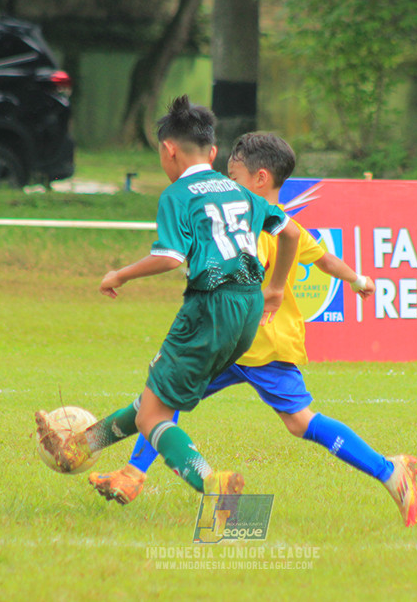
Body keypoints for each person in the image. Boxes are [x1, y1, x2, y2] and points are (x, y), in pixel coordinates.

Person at [87, 132, 417, 526]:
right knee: (167, 402)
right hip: (250, 345)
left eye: (233, 177)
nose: (226, 186)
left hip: (246, 341)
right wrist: (358, 280)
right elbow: (324, 259)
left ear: (260, 178)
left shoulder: (249, 224)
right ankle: (129, 472)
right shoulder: (278, 222)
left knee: (173, 402)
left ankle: (389, 470)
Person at [35, 97, 301, 499]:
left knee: (153, 417)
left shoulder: (178, 194)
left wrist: (120, 274)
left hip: (210, 308)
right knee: (153, 402)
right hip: (248, 310)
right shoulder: (238, 190)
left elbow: (170, 257)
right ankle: (79, 447)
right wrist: (276, 288)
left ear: (168, 149)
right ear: (212, 152)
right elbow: (291, 233)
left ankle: (217, 488)